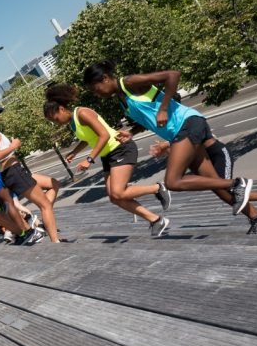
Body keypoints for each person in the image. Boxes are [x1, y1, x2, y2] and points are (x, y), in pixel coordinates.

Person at [83, 61, 257, 235]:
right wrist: (132, 132)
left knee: (174, 181)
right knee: (214, 184)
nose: (97, 93)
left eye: (95, 88)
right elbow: (148, 117)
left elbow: (172, 75)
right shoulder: (122, 98)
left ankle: (236, 183)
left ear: (105, 78)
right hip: (180, 131)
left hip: (187, 124)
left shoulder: (129, 82)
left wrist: (164, 108)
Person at [44, 84, 171, 237]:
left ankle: (158, 188)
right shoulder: (72, 123)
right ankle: (156, 220)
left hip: (120, 148)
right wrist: (74, 151)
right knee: (114, 197)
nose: (57, 122)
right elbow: (88, 138)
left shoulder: (82, 113)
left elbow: (103, 134)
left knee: (118, 192)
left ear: (62, 109)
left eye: (55, 118)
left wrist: (89, 159)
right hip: (108, 155)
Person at [0, 99, 61, 243]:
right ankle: (55, 241)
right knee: (45, 205)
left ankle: (45, 221)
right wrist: (14, 146)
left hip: (12, 171)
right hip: (13, 171)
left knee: (54, 183)